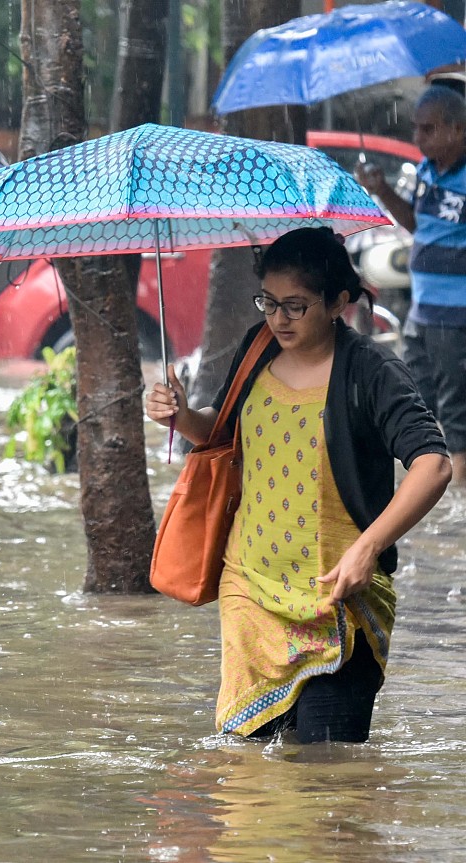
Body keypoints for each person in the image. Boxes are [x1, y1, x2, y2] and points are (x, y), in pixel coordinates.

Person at [146, 227, 451, 743]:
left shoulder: (371, 370)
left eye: (295, 306)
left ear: (337, 302)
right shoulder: (256, 348)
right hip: (250, 593)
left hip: (338, 601)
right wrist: (181, 416)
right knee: (248, 779)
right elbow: (221, 430)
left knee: (326, 775)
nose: (278, 319)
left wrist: (366, 548)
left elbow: (434, 465)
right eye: (268, 302)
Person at [356, 85, 466, 486]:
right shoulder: (425, 172)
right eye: (416, 128)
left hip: (455, 313)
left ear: (457, 129)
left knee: (456, 410)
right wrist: (382, 190)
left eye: (428, 129)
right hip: (422, 309)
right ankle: (429, 488)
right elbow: (418, 225)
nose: (418, 138)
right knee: (418, 401)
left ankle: (458, 495)